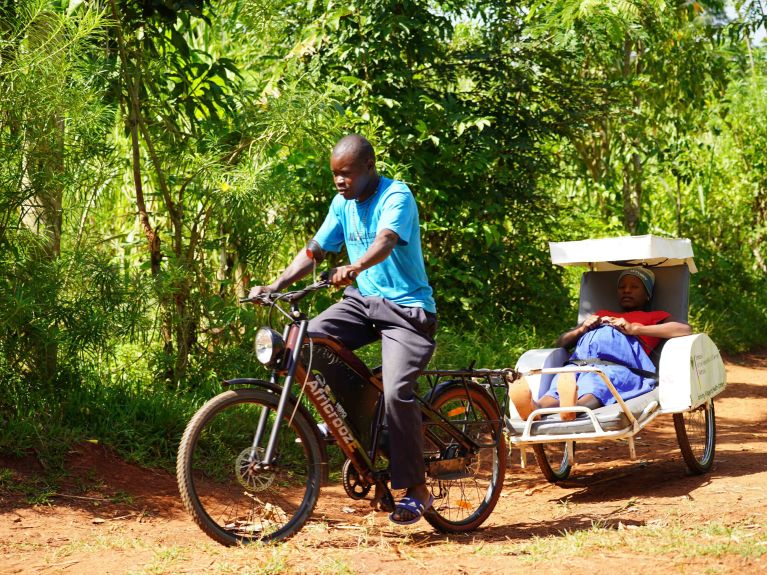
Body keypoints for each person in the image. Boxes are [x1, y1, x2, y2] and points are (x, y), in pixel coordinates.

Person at [248, 134, 437, 526]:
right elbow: (315, 250)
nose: (339, 182)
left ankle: (416, 488)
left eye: (346, 174)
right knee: (303, 341)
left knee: (399, 391)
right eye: (335, 174)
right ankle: (348, 421)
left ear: (369, 167)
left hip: (407, 311)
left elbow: (385, 241)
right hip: (363, 303)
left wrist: (355, 267)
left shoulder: (395, 197)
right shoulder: (342, 204)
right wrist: (276, 285)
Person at [510, 267, 692, 421]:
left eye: (634, 287)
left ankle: (576, 407)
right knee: (562, 381)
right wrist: (582, 329)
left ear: (647, 295)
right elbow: (562, 342)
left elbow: (684, 329)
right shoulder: (602, 313)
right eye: (622, 287)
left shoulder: (652, 317)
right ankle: (536, 408)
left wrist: (636, 329)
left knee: (597, 383)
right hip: (580, 364)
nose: (626, 290)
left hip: (619, 367)